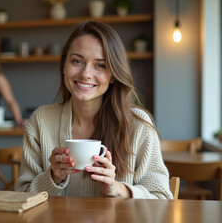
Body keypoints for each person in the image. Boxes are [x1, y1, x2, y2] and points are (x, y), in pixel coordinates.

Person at [15, 21, 173, 199]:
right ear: (64, 67)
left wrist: (118, 189)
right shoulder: (41, 120)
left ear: (113, 75)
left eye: (100, 65)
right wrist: (52, 177)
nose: (85, 74)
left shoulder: (138, 124)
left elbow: (162, 200)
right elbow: (21, 195)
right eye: (77, 61)